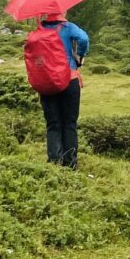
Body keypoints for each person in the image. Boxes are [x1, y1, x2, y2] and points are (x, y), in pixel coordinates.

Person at [36, 13, 89, 168]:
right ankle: (70, 163)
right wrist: (80, 55)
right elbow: (83, 39)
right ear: (62, 13)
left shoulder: (37, 32)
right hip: (69, 80)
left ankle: (53, 163)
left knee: (53, 124)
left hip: (47, 82)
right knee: (69, 123)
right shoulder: (68, 28)